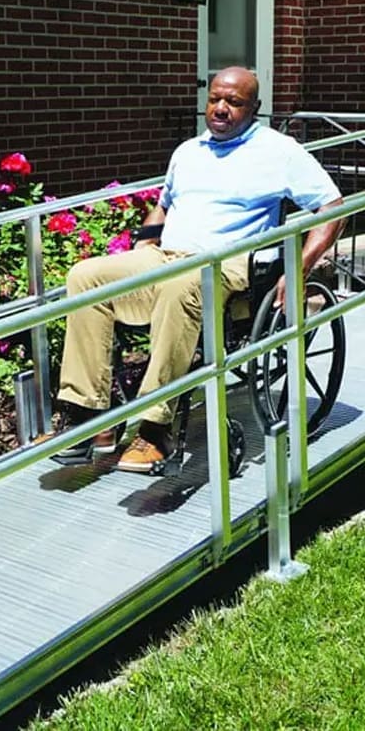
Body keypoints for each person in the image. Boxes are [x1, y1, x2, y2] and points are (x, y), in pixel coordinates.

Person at [55, 66, 344, 470]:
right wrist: (143, 245)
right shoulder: (189, 151)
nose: (221, 108)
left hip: (228, 265)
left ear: (255, 108)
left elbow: (333, 208)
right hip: (168, 256)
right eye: (215, 99)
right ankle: (88, 418)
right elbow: (164, 205)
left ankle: (155, 428)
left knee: (182, 286)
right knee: (85, 276)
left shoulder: (280, 152)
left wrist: (299, 269)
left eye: (234, 102)